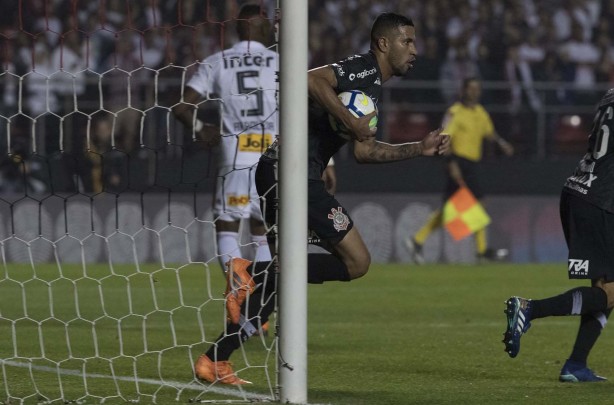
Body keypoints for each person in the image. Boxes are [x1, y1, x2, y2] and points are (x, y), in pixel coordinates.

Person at [192, 12, 451, 385]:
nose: (414, 50)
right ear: (384, 43)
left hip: (292, 173)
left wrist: (419, 148)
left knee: (283, 278)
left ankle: (215, 358)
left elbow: (365, 152)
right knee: (356, 261)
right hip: (289, 172)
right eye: (407, 41)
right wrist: (349, 118)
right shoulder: (361, 70)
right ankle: (251, 272)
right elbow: (309, 80)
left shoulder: (373, 86)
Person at [504, 88, 614, 383]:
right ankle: (529, 309)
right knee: (609, 292)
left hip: (580, 190)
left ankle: (576, 365)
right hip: (600, 200)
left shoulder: (610, 95)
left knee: (606, 291)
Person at [173, 4, 276, 270]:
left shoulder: (217, 61)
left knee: (228, 226)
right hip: (273, 157)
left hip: (236, 156)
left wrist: (199, 127)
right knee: (263, 228)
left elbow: (182, 108)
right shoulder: (282, 63)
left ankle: (238, 298)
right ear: (262, 28)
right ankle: (260, 302)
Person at [405, 77, 514, 264]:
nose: (474, 92)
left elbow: (489, 132)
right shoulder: (455, 112)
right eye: (470, 88)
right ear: (463, 90)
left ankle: (417, 240)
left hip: (472, 165)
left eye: (477, 88)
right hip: (458, 162)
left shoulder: (480, 113)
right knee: (478, 202)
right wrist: (450, 163)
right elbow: (444, 138)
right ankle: (481, 251)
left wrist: (502, 143)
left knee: (451, 208)